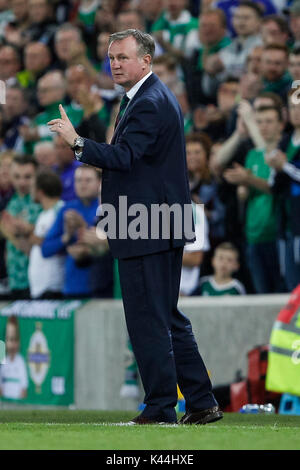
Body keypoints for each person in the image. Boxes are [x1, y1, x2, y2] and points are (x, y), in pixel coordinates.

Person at [48, 29, 222, 425]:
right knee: (165, 316)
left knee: (148, 319)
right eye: (111, 57)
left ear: (146, 59)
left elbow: (124, 157)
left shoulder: (149, 102)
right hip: (154, 222)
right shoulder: (149, 97)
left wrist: (77, 142)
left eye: (123, 57)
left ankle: (161, 407)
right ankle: (201, 401)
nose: (114, 63)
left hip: (148, 225)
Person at [28, 169, 65, 299]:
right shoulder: (42, 214)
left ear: (40, 191)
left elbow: (63, 241)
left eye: (32, 187)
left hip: (52, 284)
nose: (30, 191)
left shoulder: (60, 209)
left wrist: (37, 239)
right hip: (39, 285)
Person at [0, 315, 28, 400]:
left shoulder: (20, 361)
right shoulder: (3, 358)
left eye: (14, 340)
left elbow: (24, 385)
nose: (12, 345)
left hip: (16, 398)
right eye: (9, 339)